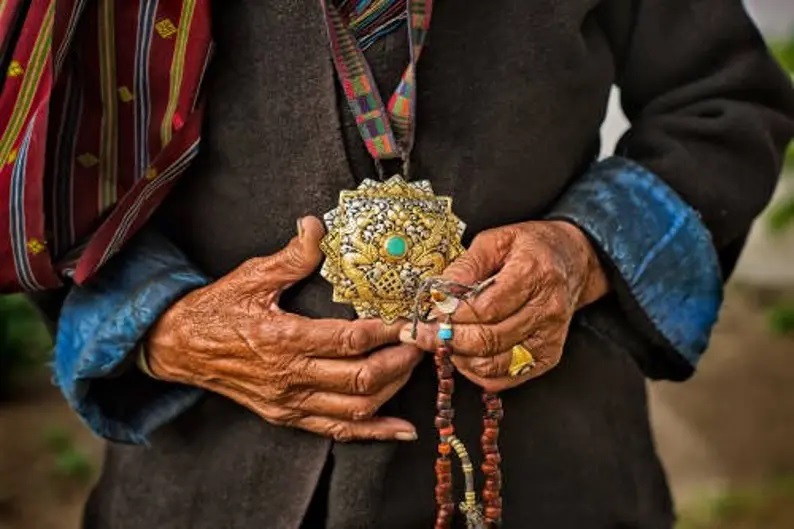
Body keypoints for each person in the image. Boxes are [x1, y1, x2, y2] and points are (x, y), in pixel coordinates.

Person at [2, 0, 793, 527]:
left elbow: (723, 103)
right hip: (203, 479)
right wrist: (161, 324)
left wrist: (581, 254)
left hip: (548, 468)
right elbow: (37, 160)